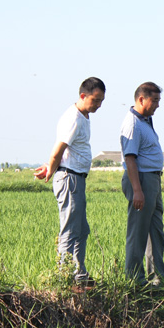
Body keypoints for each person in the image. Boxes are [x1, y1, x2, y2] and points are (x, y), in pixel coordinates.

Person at [34, 77, 106, 289]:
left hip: (76, 178)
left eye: (101, 101)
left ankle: (79, 274)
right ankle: (62, 279)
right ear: (83, 96)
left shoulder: (83, 116)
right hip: (69, 178)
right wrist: (52, 169)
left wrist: (51, 166)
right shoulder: (73, 118)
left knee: (82, 230)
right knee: (70, 230)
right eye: (95, 100)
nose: (98, 105)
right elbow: (58, 149)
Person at [120, 82, 164, 286]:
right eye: (154, 100)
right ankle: (134, 279)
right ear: (141, 99)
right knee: (138, 230)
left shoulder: (145, 121)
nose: (157, 105)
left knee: (155, 229)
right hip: (141, 179)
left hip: (153, 179)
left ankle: (158, 277)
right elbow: (130, 158)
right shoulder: (132, 124)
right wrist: (137, 190)